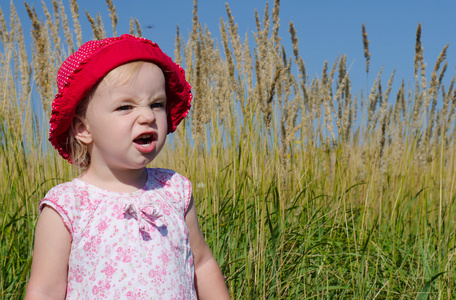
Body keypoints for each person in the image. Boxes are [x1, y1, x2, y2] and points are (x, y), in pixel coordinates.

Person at [25, 34, 230, 300]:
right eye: (125, 106)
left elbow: (202, 264)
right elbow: (45, 290)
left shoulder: (173, 190)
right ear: (83, 129)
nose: (147, 116)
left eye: (157, 104)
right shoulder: (68, 206)